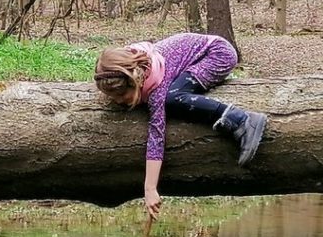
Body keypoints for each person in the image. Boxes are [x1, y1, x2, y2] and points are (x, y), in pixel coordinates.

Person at [94, 33, 267, 219]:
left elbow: (156, 137)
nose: (119, 101)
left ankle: (241, 120)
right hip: (201, 53)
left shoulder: (157, 90)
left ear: (135, 82)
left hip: (218, 54)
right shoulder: (126, 66)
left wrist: (150, 188)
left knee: (173, 98)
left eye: (121, 96)